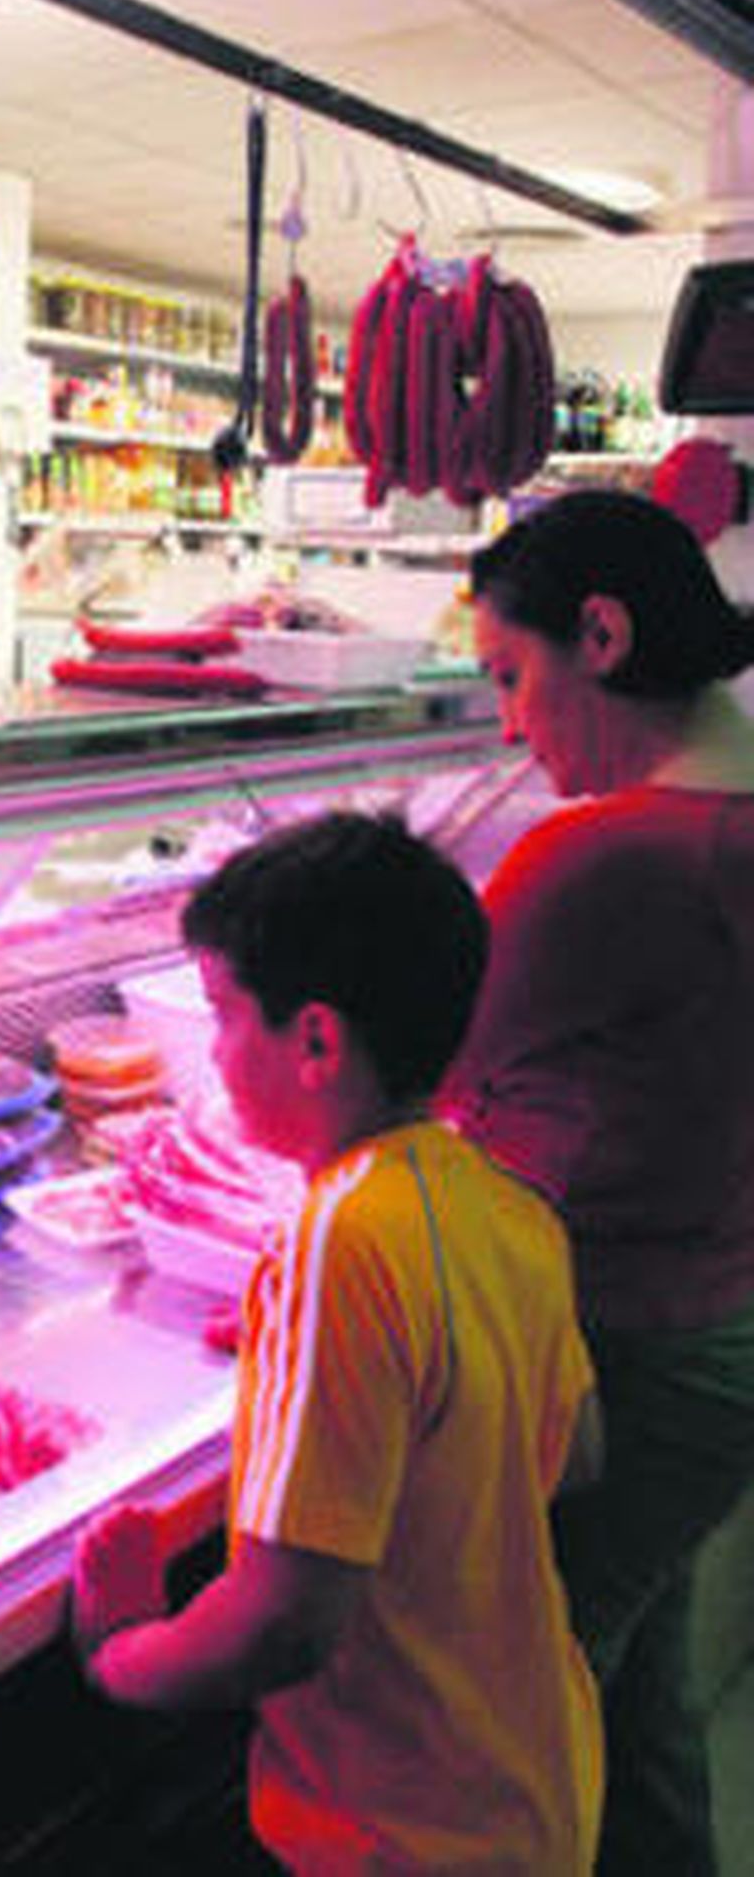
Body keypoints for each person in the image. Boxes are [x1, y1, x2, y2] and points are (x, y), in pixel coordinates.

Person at [74, 812, 603, 1875]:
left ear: (314, 1040)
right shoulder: (500, 1199)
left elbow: (285, 1625)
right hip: (532, 1772)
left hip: (400, 1830)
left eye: (222, 1017)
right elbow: (575, 1452)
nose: (212, 1055)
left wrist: (125, 1652)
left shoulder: (336, 1236)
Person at [443, 488, 754, 1875]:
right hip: (723, 1327)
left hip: (639, 1345)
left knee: (527, 1705)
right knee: (643, 1703)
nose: (509, 723)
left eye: (514, 676)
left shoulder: (606, 855)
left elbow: (418, 1073)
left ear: (606, 635)